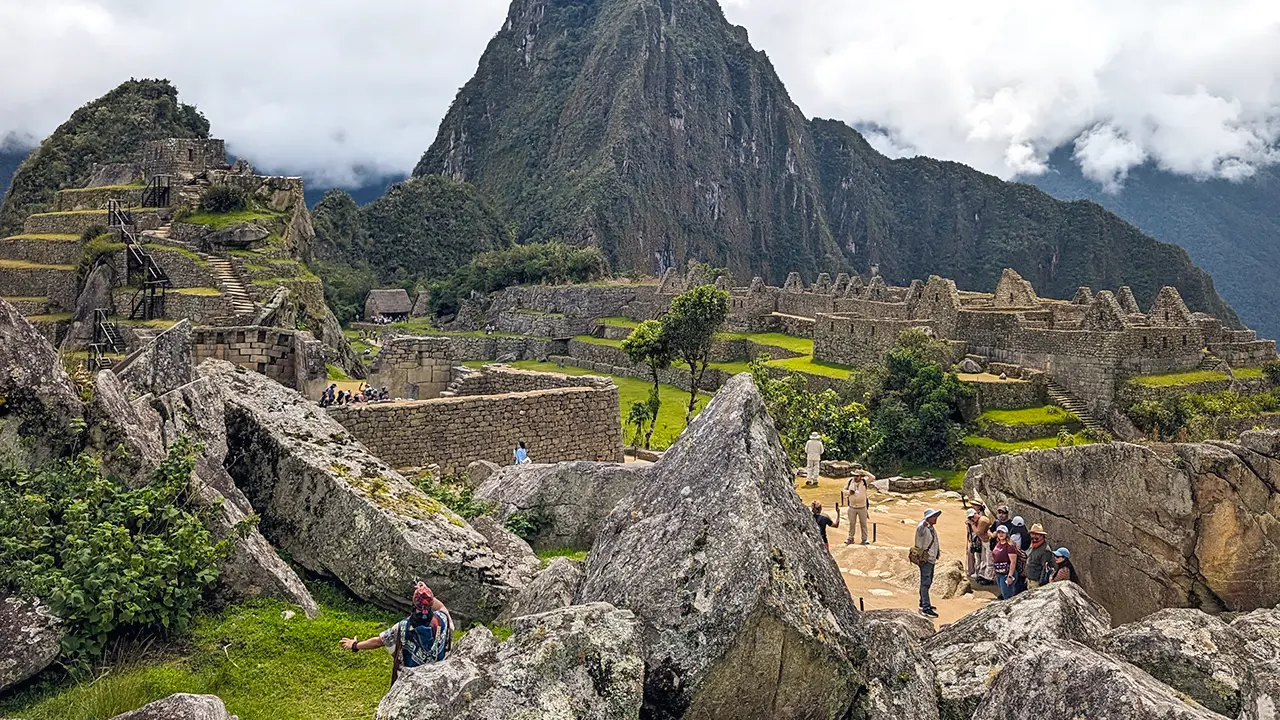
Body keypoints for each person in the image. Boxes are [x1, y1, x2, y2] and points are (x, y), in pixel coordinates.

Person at [340, 582, 452, 684]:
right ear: (431, 602)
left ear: (414, 603)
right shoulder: (442, 619)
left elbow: (378, 641)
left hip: (412, 682)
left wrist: (354, 645)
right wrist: (426, 592)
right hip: (436, 678)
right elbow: (442, 607)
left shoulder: (403, 627)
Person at [913, 508, 942, 617]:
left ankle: (922, 602)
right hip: (925, 559)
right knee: (925, 582)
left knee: (928, 581)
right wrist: (924, 524)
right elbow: (920, 529)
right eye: (934, 516)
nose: (936, 518)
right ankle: (926, 607)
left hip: (931, 558)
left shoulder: (931, 528)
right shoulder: (923, 527)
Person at [991, 525, 1020, 600]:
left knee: (1007, 596)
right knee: (1004, 593)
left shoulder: (1010, 546)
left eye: (1003, 532)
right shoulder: (998, 543)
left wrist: (1010, 576)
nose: (1001, 534)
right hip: (999, 573)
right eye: (999, 532)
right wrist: (994, 571)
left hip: (1006, 574)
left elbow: (1013, 562)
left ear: (1006, 533)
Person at [843, 471, 871, 545]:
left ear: (860, 476)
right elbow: (844, 491)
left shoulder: (864, 482)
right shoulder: (850, 481)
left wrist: (865, 472)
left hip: (862, 507)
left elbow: (873, 477)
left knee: (863, 524)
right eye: (854, 475)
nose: (855, 477)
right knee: (852, 523)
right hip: (852, 507)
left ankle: (864, 539)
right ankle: (850, 537)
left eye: (857, 476)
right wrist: (849, 492)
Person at [1026, 523, 1056, 589]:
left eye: (1036, 534)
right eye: (1032, 534)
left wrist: (1041, 583)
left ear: (1042, 536)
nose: (1034, 536)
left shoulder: (1045, 550)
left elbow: (1045, 569)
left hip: (1037, 582)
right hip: (1029, 580)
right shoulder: (1033, 546)